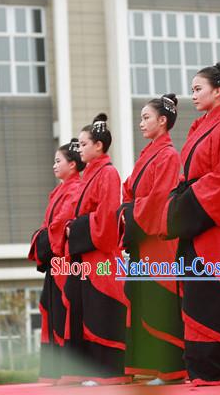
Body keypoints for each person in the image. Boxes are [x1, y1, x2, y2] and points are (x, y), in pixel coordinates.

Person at [160, 62, 220, 385]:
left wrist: (182, 206)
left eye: (198, 89)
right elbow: (187, 178)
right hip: (194, 221)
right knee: (195, 295)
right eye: (192, 89)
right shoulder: (200, 128)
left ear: (218, 91)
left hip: (215, 227)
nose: (193, 95)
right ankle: (200, 369)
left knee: (215, 293)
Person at [118, 93, 186, 385]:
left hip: (159, 240)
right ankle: (154, 367)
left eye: (146, 117)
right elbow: (129, 189)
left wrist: (130, 213)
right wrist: (125, 211)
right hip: (143, 239)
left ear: (163, 121)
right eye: (141, 118)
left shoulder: (169, 155)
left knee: (161, 302)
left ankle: (171, 370)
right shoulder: (148, 154)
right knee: (145, 301)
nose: (141, 123)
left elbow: (160, 198)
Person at [60, 114, 131, 386]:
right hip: (86, 254)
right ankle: (94, 372)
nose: (79, 149)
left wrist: (74, 229)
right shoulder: (91, 173)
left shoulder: (108, 173)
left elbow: (106, 217)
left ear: (99, 146)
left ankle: (109, 373)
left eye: (83, 143)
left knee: (102, 311)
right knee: (88, 310)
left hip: (101, 256)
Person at [28, 138, 85, 383]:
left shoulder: (75, 189)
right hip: (55, 261)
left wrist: (42, 237)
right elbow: (49, 226)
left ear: (72, 165)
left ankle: (68, 369)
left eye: (58, 160)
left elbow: (59, 225)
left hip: (65, 262)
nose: (54, 165)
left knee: (64, 311)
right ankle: (55, 370)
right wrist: (43, 236)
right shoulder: (60, 190)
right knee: (51, 309)